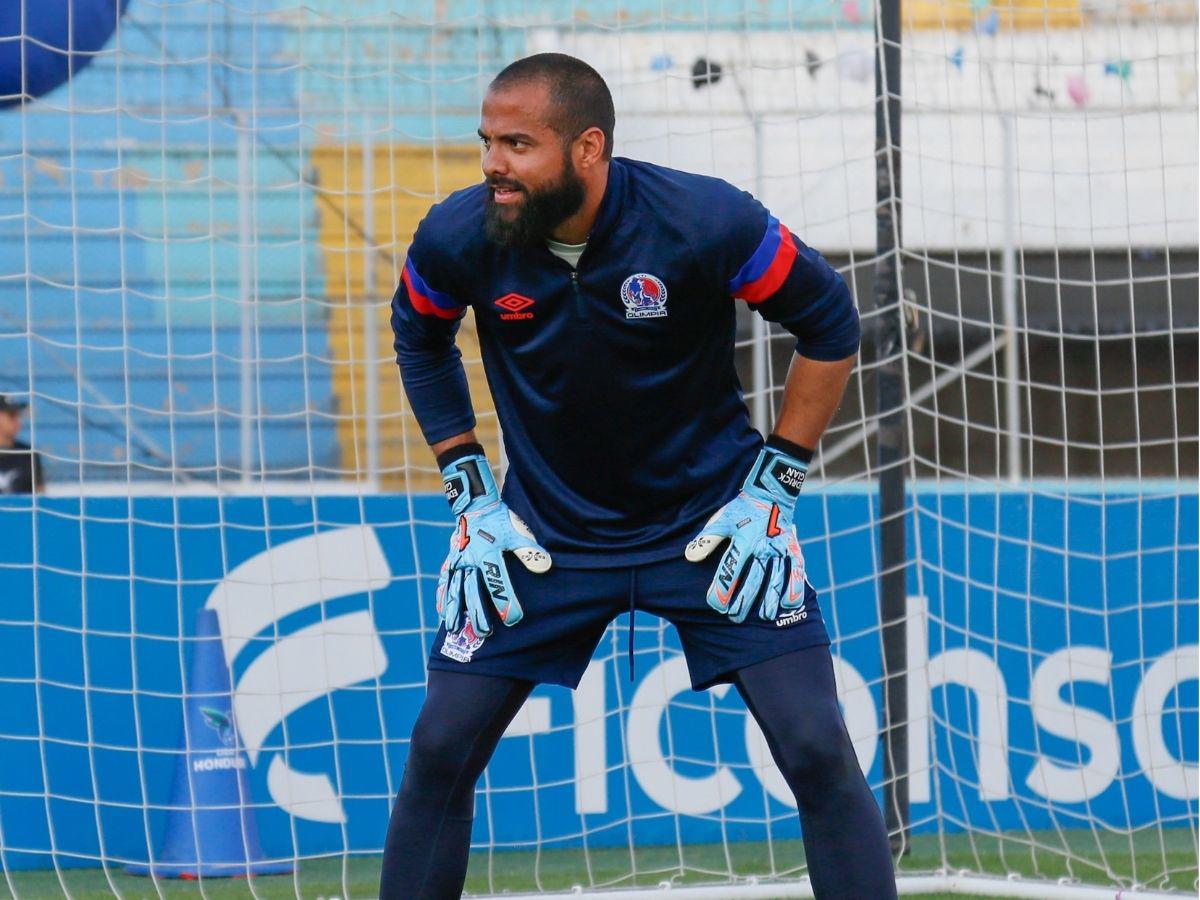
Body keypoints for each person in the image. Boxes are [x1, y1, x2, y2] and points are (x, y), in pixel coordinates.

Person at [383, 53, 896, 899]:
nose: (492, 166)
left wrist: (775, 485)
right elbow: (420, 337)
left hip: (716, 530)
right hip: (543, 538)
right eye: (486, 142)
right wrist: (467, 484)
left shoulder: (704, 219)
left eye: (517, 144)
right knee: (440, 749)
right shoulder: (458, 234)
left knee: (814, 746)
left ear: (588, 148)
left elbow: (830, 323)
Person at [0, 395, 42, 494]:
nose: (18, 422)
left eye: (18, 416)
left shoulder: (29, 454)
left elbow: (40, 494)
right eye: (11, 416)